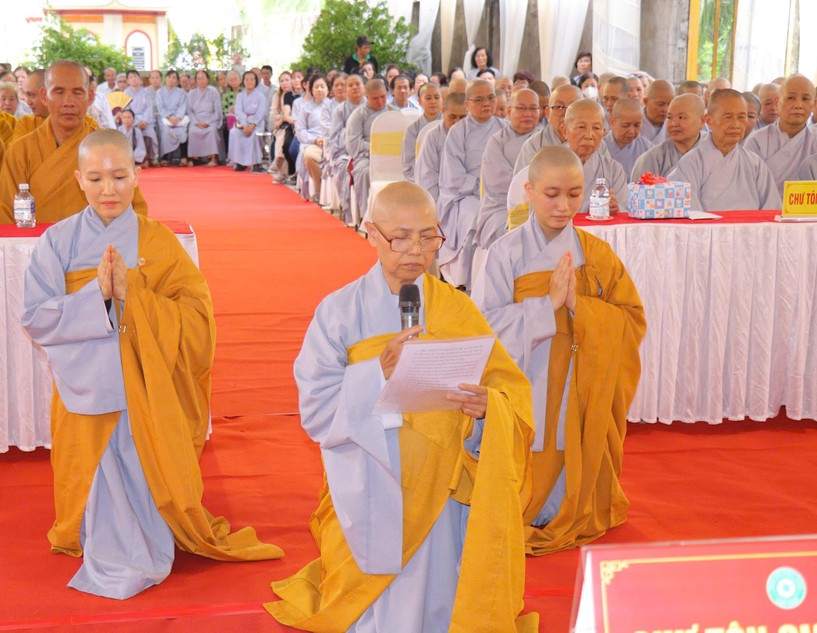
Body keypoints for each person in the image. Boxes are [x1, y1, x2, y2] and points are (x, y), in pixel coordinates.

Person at [21, 129, 283, 600]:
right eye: (97, 178)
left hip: (147, 387)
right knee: (98, 486)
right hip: (87, 390)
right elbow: (36, 318)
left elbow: (198, 317)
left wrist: (133, 295)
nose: (109, 189)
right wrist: (96, 296)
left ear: (137, 176)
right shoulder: (56, 242)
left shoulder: (159, 242)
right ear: (79, 179)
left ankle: (145, 534)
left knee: (145, 482)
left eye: (120, 176)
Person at [265, 181, 538, 632]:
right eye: (401, 236)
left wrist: (489, 407)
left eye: (428, 236)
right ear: (371, 233)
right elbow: (315, 410)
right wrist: (377, 373)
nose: (416, 249)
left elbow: (508, 389)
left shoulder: (457, 307)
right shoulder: (338, 312)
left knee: (440, 600)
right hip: (373, 479)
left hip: (445, 491)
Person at [473, 145, 646, 555]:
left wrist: (578, 307)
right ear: (529, 192)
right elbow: (484, 330)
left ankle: (573, 501)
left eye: (574, 193)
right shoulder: (504, 253)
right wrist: (544, 306)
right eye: (552, 194)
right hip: (527, 375)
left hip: (580, 379)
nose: (564, 205)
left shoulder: (597, 254)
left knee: (573, 434)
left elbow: (631, 321)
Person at [0, 60, 149, 223]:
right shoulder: (21, 151)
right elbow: (5, 215)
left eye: (77, 92)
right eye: (59, 92)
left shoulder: (108, 149)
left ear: (90, 97)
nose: (68, 102)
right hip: (37, 246)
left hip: (98, 245)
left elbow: (134, 209)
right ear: (44, 97)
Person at [437, 79, 504, 289]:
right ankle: (468, 280)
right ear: (468, 105)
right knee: (477, 215)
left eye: (491, 97)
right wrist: (481, 188)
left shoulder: (505, 128)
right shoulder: (458, 132)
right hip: (464, 195)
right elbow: (454, 175)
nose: (487, 103)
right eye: (480, 99)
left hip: (500, 193)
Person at [668, 89, 781, 212]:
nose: (736, 125)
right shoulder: (691, 163)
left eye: (741, 117)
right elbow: (689, 214)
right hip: (705, 230)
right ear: (709, 121)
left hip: (751, 230)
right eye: (728, 117)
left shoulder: (755, 164)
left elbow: (772, 210)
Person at [477, 88, 542, 251]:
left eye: (533, 108)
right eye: (521, 108)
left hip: (543, 206)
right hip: (501, 207)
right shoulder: (496, 142)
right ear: (508, 111)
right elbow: (497, 183)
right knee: (518, 235)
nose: (528, 114)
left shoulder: (544, 139)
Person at [744, 75, 817, 194]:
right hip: (765, 210)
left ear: (813, 104)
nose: (798, 105)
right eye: (791, 98)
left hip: (810, 211)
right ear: (777, 101)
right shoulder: (757, 141)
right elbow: (748, 188)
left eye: (805, 99)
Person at [558, 99, 628, 214]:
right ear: (565, 131)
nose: (589, 136)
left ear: (603, 132)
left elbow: (625, 212)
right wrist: (591, 208)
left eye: (596, 128)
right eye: (581, 127)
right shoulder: (550, 166)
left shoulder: (614, 170)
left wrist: (616, 208)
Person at [345, 78, 393, 218]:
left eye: (383, 97)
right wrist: (376, 147)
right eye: (375, 98)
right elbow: (354, 144)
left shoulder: (393, 112)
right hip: (366, 157)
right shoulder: (358, 115)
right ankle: (369, 217)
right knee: (365, 172)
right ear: (367, 97)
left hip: (392, 156)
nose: (380, 101)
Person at [631, 93, 704, 181]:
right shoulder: (652, 159)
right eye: (669, 117)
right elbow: (639, 192)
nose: (673, 124)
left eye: (681, 117)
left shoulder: (714, 151)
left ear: (702, 121)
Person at [514, 85, 582, 172]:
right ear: (548, 113)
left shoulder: (595, 144)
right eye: (559, 107)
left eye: (573, 107)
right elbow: (522, 183)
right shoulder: (533, 145)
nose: (566, 113)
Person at [326, 74, 365, 222]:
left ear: (364, 88)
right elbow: (334, 137)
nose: (355, 87)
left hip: (367, 152)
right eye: (351, 85)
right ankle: (350, 211)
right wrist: (351, 136)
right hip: (344, 153)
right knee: (343, 168)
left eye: (358, 84)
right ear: (346, 90)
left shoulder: (371, 107)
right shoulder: (340, 110)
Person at [416, 92, 467, 203]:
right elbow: (427, 179)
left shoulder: (475, 137)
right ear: (443, 111)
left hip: (469, 195)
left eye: (463, 118)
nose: (457, 123)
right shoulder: (432, 138)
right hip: (441, 198)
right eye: (452, 117)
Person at [295, 73, 330, 200]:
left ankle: (332, 195)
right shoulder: (306, 107)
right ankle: (320, 191)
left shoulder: (334, 106)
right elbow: (300, 130)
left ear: (328, 89)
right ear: (311, 90)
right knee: (309, 156)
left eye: (322, 86)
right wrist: (314, 139)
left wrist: (327, 140)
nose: (319, 90)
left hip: (331, 143)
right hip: (313, 143)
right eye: (316, 87)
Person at [603, 97, 653, 178]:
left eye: (637, 125)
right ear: (612, 122)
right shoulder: (600, 147)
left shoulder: (648, 149)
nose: (631, 131)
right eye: (625, 126)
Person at [402, 83, 442, 181]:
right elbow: (408, 164)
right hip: (420, 179)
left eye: (437, 97)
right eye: (428, 98)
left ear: (442, 100)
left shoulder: (451, 125)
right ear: (420, 102)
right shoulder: (413, 129)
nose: (433, 101)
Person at [228, 70, 267, 172]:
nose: (249, 82)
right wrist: (245, 125)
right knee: (234, 133)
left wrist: (252, 125)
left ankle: (256, 162)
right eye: (247, 79)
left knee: (254, 134)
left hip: (256, 122)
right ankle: (240, 162)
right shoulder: (240, 96)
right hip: (243, 122)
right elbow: (239, 112)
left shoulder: (261, 96)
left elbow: (261, 113)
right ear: (243, 81)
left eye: (252, 79)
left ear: (256, 81)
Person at [186, 70, 222, 167]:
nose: (201, 81)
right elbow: (189, 112)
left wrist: (207, 122)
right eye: (199, 78)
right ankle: (194, 158)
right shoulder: (191, 94)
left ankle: (214, 158)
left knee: (211, 130)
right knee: (192, 131)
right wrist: (196, 122)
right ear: (196, 80)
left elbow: (217, 111)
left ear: (208, 80)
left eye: (203, 78)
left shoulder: (214, 92)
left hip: (211, 120)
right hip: (196, 120)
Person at [124, 69, 159, 166]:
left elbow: (149, 108)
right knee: (132, 134)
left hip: (145, 120)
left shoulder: (145, 92)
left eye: (135, 77)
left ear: (139, 78)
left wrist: (144, 121)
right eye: (131, 77)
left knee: (150, 132)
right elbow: (127, 110)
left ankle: (152, 157)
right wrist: (135, 122)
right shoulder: (126, 93)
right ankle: (136, 160)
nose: (134, 79)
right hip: (132, 121)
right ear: (128, 81)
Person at [155, 70, 189, 166]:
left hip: (178, 118)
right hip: (165, 118)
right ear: (165, 79)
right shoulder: (159, 92)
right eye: (169, 77)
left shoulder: (181, 92)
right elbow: (160, 107)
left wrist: (177, 118)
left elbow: (183, 106)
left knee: (182, 131)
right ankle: (165, 157)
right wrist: (169, 117)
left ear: (177, 81)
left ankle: (183, 157)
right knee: (166, 132)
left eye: (174, 77)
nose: (171, 79)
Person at [12, 69, 50, 143]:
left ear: (45, 94)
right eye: (26, 95)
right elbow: (17, 152)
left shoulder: (68, 122)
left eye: (31, 95)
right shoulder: (26, 123)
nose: (28, 102)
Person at [640, 79, 674, 144]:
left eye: (670, 104)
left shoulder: (676, 126)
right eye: (660, 104)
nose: (666, 110)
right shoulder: (633, 123)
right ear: (645, 101)